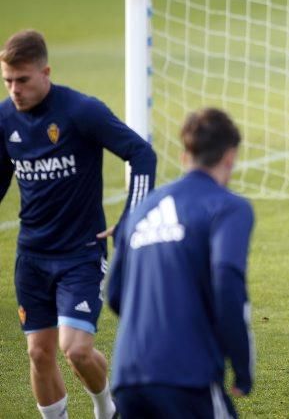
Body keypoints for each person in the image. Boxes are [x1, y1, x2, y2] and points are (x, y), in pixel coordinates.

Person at [0, 29, 156, 419]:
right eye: (7, 81)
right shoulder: (4, 118)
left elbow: (141, 153)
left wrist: (129, 219)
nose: (14, 90)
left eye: (22, 80)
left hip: (79, 253)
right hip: (31, 255)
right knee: (39, 352)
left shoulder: (80, 111)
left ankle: (108, 408)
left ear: (46, 72)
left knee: (77, 349)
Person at [108, 108, 254, 417]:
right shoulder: (228, 207)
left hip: (127, 377)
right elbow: (227, 281)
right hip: (187, 376)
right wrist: (242, 367)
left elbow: (115, 294)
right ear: (230, 155)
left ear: (185, 154)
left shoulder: (144, 208)